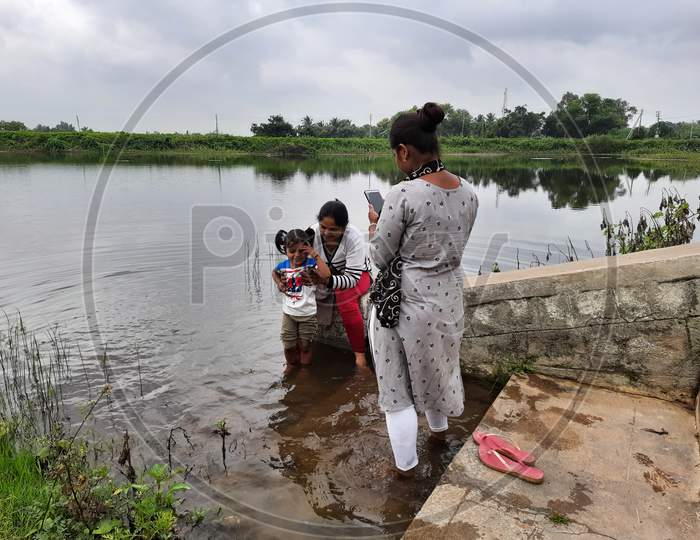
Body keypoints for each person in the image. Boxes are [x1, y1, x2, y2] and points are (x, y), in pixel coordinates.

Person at [367, 102, 479, 475]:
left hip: (406, 305)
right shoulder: (469, 193)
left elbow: (381, 256)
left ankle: (405, 474)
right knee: (438, 373)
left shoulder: (403, 195)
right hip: (448, 299)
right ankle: (439, 438)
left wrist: (376, 224)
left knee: (396, 391)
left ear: (403, 152)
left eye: (394, 154)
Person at [307, 200, 372, 368]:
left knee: (345, 296)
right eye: (323, 227)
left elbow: (352, 279)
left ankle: (359, 355)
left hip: (358, 274)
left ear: (344, 228)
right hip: (326, 274)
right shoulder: (312, 232)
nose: (326, 232)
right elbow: (298, 257)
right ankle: (301, 350)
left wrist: (327, 282)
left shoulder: (353, 237)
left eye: (333, 229)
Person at [272, 228, 331, 370]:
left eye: (301, 251)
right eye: (292, 251)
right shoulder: (283, 266)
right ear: (285, 250)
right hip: (289, 314)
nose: (297, 255)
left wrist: (315, 255)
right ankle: (290, 366)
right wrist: (279, 283)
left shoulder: (310, 264)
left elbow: (327, 274)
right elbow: (274, 272)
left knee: (305, 345)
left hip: (308, 314)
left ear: (307, 249)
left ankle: (305, 370)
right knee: (288, 345)